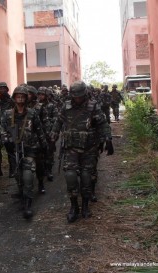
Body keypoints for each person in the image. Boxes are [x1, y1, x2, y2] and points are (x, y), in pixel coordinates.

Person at [50, 81, 113, 223]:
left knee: (86, 177)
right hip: (71, 148)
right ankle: (74, 207)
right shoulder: (66, 106)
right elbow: (58, 122)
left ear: (85, 94)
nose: (77, 99)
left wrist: (108, 139)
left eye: (80, 96)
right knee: (70, 176)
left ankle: (85, 206)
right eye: (75, 96)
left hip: (89, 148)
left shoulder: (93, 106)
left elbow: (103, 123)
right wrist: (52, 136)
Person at [0, 86, 47, 219]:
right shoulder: (8, 114)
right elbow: (1, 129)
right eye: (18, 96)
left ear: (26, 98)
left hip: (30, 149)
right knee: (18, 176)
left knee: (28, 176)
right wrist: (5, 139)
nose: (20, 98)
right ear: (14, 98)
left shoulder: (32, 113)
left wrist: (44, 145)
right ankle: (22, 194)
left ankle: (28, 204)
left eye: (23, 96)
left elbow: (39, 129)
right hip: (14, 150)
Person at [0, 82, 15, 178]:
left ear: (7, 89)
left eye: (4, 88)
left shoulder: (12, 101)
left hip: (10, 129)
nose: (2, 90)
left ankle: (12, 169)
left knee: (10, 150)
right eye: (0, 89)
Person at [37, 87, 58, 181]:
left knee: (49, 152)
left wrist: (48, 121)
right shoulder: (35, 106)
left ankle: (49, 171)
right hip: (38, 132)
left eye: (42, 94)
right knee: (40, 154)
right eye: (39, 94)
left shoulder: (51, 105)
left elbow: (56, 118)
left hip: (49, 131)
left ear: (46, 96)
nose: (41, 96)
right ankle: (42, 170)